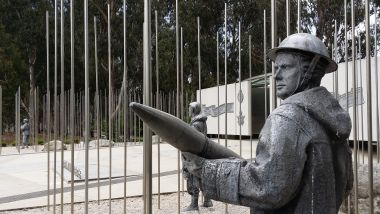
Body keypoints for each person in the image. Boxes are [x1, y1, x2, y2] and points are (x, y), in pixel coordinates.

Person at [182, 33, 353, 213]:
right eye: (276, 68)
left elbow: (267, 187)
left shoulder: (288, 117)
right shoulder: (333, 121)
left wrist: (206, 170)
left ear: (309, 70)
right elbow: (346, 184)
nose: (276, 75)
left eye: (285, 67)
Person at [182, 102, 213, 211]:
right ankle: (207, 200)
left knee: (193, 178)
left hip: (195, 155)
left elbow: (192, 141)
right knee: (201, 178)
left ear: (194, 110)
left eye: (190, 108)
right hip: (201, 154)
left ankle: (194, 204)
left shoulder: (196, 124)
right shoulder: (201, 122)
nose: (188, 110)